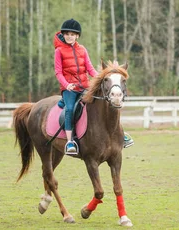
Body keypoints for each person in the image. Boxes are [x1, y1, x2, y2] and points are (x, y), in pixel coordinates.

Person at [54, 18, 134, 155]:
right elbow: (58, 72)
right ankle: (70, 142)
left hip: (85, 86)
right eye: (67, 34)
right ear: (63, 35)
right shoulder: (59, 51)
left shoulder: (82, 49)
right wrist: (66, 85)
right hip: (70, 90)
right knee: (70, 109)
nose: (69, 36)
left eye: (72, 34)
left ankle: (120, 134)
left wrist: (102, 78)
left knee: (108, 104)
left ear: (77, 36)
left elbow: (90, 68)